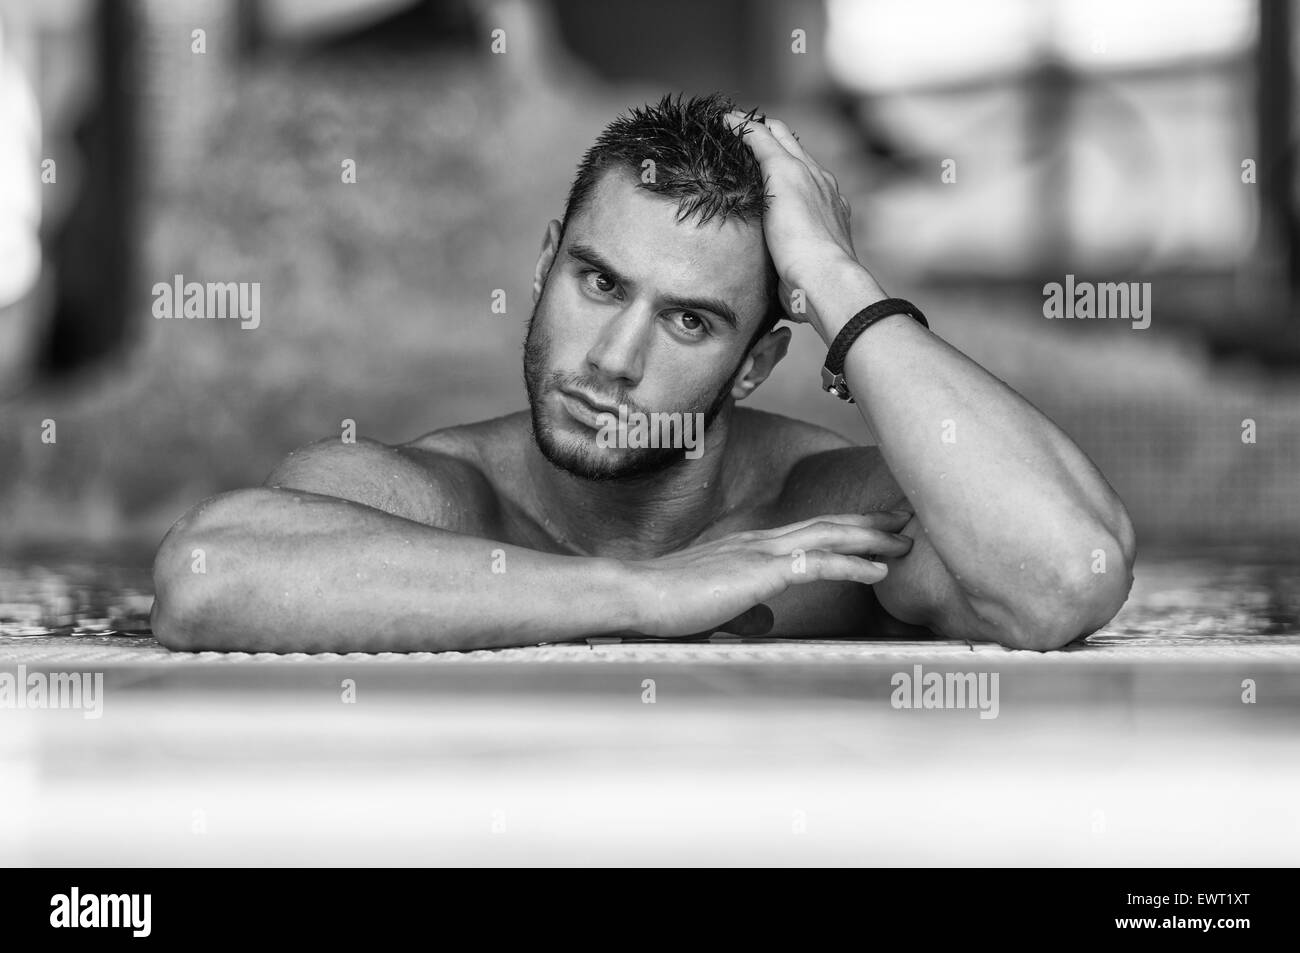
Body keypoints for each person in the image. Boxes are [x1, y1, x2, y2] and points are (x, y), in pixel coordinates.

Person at [151, 93, 1135, 653]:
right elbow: (203, 577)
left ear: (756, 366)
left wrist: (840, 285)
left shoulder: (818, 526)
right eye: (596, 282)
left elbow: (1060, 575)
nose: (614, 360)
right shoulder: (429, 498)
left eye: (690, 321)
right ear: (544, 263)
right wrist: (647, 595)